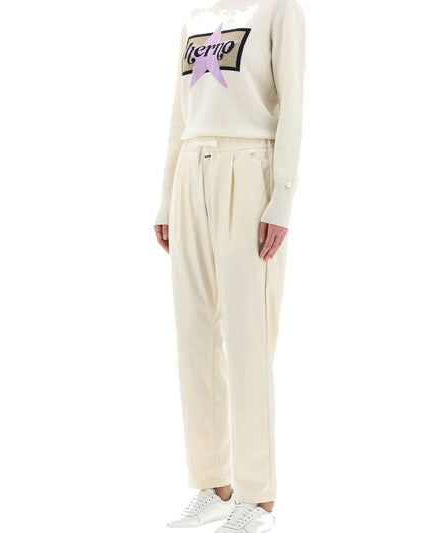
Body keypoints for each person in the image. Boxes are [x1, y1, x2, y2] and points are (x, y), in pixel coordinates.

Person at [153, 0, 306, 531]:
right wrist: (166, 197)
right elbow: (180, 114)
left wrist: (281, 198)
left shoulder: (280, 9)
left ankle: (257, 496)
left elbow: (293, 105)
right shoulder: (196, 15)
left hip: (249, 164)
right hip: (191, 169)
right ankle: (213, 483)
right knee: (194, 334)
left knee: (248, 336)